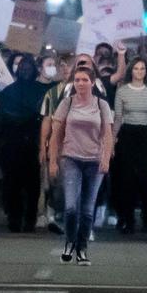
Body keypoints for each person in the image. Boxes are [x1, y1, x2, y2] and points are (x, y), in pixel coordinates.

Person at [48, 67, 115, 266]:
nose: (80, 83)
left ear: (92, 83)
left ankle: (82, 248)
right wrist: (53, 161)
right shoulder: (67, 103)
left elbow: (108, 134)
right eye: (77, 80)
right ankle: (70, 242)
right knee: (70, 207)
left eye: (85, 80)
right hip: (71, 158)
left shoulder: (101, 105)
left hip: (94, 160)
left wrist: (105, 159)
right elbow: (55, 135)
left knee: (87, 209)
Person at [0, 54, 48, 232]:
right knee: (14, 183)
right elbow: (0, 118)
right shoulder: (9, 92)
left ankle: (28, 217)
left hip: (31, 142)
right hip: (14, 142)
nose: (25, 71)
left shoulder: (42, 91)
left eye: (28, 68)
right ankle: (16, 217)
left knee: (31, 184)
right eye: (22, 68)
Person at [113, 57, 147, 234]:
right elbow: (118, 118)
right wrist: (112, 140)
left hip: (146, 135)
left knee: (144, 179)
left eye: (143, 69)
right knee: (126, 179)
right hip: (127, 134)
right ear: (131, 71)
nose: (140, 72)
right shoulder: (122, 91)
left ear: (146, 71)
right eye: (136, 68)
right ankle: (127, 218)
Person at [39, 55, 73, 235]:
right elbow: (46, 120)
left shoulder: (86, 91)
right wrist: (42, 146)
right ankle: (53, 214)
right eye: (64, 65)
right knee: (56, 182)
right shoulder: (52, 93)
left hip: (79, 145)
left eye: (71, 65)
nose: (67, 69)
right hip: (57, 145)